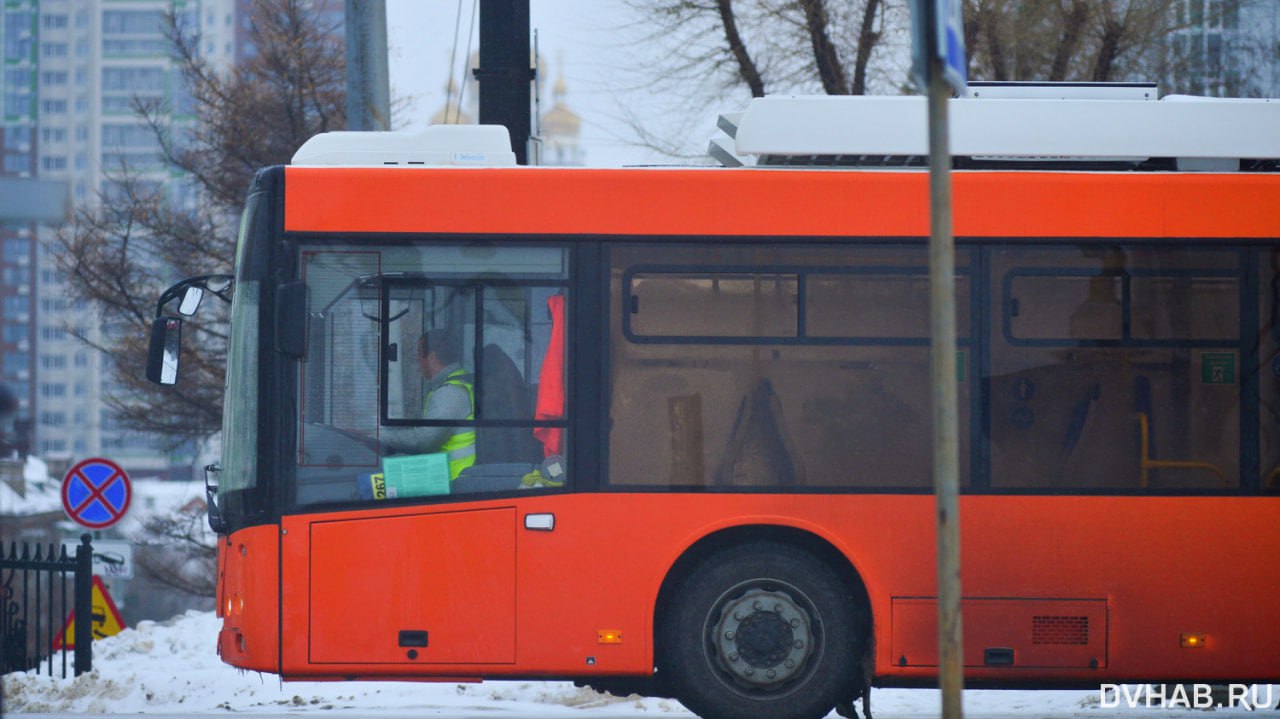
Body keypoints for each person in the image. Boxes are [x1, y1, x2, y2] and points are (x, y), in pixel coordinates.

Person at [381, 329, 476, 479]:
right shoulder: (450, 387)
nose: (418, 360)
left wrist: (381, 436)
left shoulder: (450, 393)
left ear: (432, 357)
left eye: (419, 353)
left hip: (455, 480)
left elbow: (425, 441)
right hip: (446, 475)